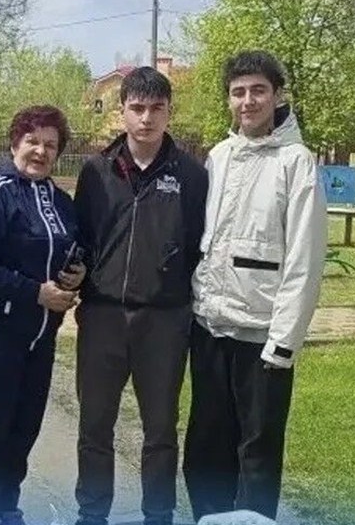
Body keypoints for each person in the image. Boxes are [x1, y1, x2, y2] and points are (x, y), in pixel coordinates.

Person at [183, 50, 327, 522]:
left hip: (262, 337)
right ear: (229, 99)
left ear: (277, 95)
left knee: (257, 452)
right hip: (210, 328)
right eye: (238, 92)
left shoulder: (296, 162)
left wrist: (283, 343)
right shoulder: (218, 157)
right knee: (206, 447)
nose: (248, 101)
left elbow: (305, 259)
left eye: (258, 90)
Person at [73, 67, 208, 525]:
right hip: (103, 316)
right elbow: (83, 237)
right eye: (137, 108)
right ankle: (92, 513)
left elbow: (199, 244)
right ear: (122, 111)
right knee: (95, 425)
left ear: (170, 112)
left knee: (161, 429)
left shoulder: (191, 175)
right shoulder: (96, 171)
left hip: (164, 320)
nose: (146, 118)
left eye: (156, 109)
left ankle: (158, 514)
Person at [0, 105, 85, 525]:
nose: (40, 152)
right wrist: (35, 293)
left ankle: (5, 508)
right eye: (32, 141)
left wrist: (77, 274)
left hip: (40, 337)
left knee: (22, 431)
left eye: (50, 145)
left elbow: (67, 252)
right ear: (15, 143)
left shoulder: (60, 201)